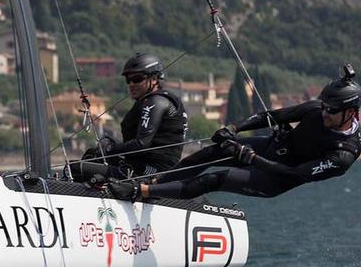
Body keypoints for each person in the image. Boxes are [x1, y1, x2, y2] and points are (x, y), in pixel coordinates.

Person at [109, 65, 361, 201]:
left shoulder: (343, 155)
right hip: (273, 148)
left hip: (276, 178)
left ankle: (140, 193)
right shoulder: (316, 109)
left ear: (351, 112)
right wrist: (233, 128)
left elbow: (294, 173)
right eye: (324, 106)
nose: (324, 113)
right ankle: (156, 183)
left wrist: (251, 159)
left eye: (332, 110)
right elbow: (270, 116)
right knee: (213, 151)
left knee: (216, 178)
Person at [71, 52, 188, 182]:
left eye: (137, 79)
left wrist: (110, 148)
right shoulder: (151, 101)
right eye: (128, 80)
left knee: (73, 169)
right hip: (141, 166)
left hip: (154, 172)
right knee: (93, 156)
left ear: (154, 79)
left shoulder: (156, 102)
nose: (131, 84)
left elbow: (141, 144)